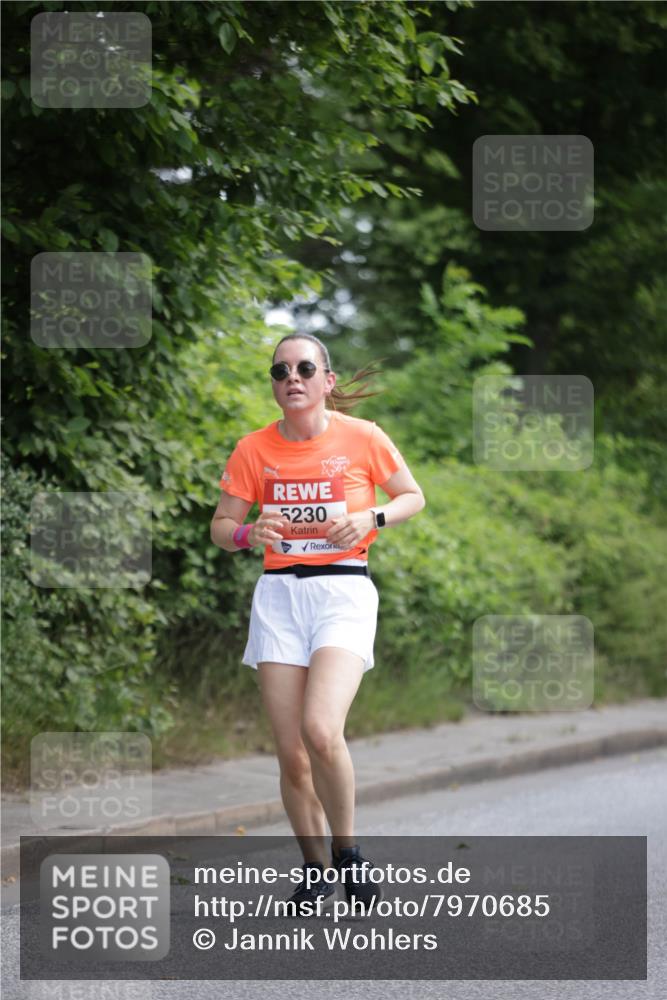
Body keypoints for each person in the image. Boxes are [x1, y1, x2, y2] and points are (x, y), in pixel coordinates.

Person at [210, 333, 425, 914]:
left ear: (327, 380)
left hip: (344, 592)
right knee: (291, 752)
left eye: (306, 367)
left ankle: (349, 853)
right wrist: (247, 533)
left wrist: (370, 515)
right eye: (281, 370)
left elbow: (412, 496)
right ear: (275, 384)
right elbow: (221, 524)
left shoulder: (364, 438)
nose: (292, 377)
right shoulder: (253, 449)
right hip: (279, 597)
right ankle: (315, 869)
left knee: (321, 730)